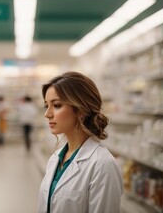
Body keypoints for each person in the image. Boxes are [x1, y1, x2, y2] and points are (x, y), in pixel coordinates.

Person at [38, 71, 123, 213]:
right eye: (47, 105)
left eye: (57, 105)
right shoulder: (55, 158)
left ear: (80, 109)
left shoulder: (102, 165)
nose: (47, 114)